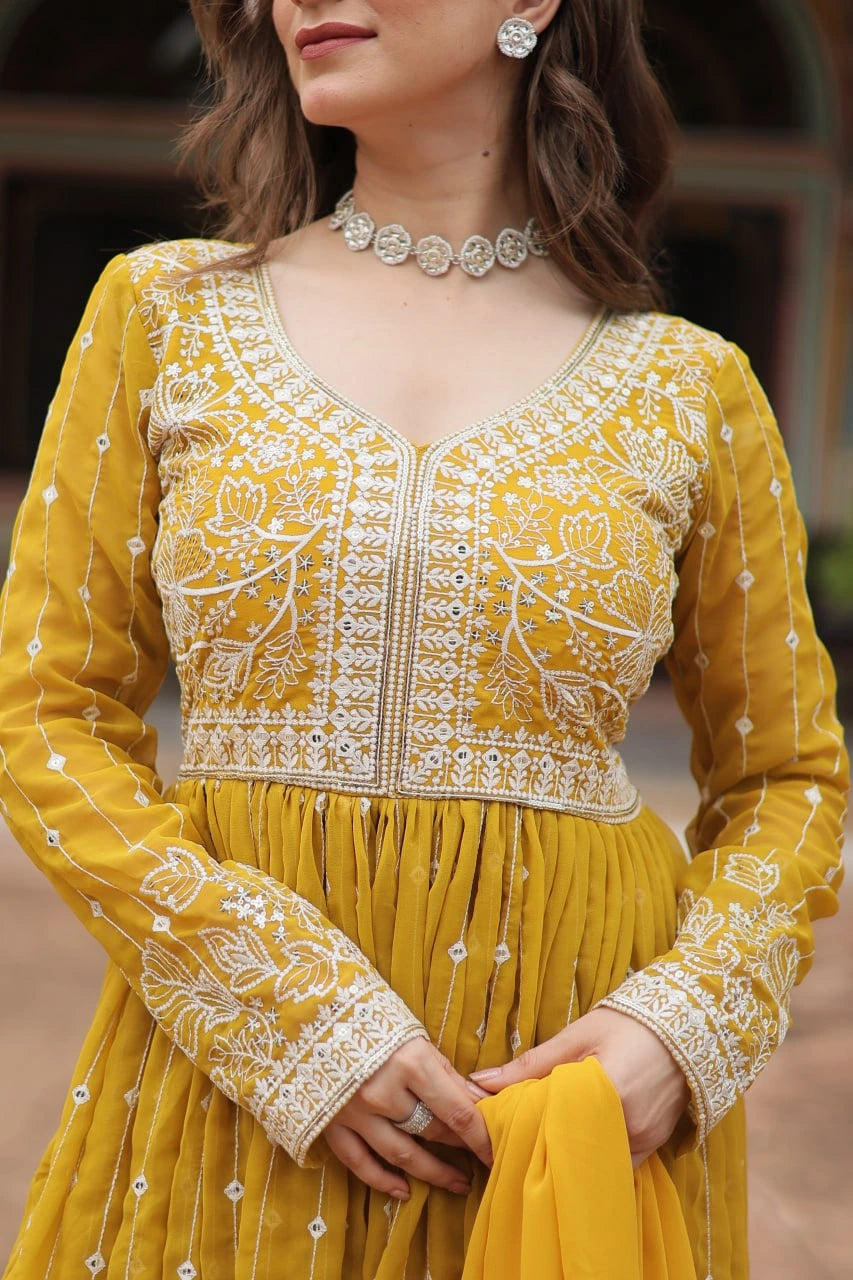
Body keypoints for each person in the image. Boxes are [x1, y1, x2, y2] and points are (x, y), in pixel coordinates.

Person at [0, 1, 847, 1277]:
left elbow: (789, 778)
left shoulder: (688, 385)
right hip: (237, 1092)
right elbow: (44, 712)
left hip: (561, 1116)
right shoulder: (162, 314)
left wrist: (678, 1027)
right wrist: (287, 1013)